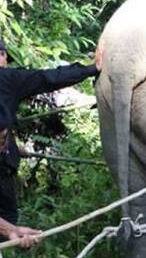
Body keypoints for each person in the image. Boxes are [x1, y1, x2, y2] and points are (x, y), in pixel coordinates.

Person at [0, 37, 102, 229]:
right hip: (2, 164)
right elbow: (48, 78)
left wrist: (14, 147)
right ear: (2, 55)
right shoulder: (8, 78)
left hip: (5, 152)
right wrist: (90, 69)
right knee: (7, 214)